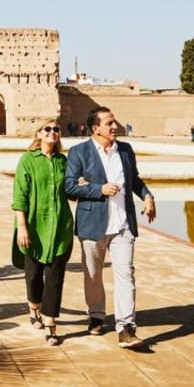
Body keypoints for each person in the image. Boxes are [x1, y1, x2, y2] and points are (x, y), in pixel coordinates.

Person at [66, 106, 156, 351]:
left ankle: (126, 328)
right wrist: (99, 189)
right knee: (93, 275)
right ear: (95, 128)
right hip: (92, 225)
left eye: (115, 122)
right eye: (109, 123)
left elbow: (134, 180)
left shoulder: (125, 150)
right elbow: (69, 187)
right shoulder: (79, 152)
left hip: (122, 225)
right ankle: (96, 314)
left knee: (126, 274)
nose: (115, 126)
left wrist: (147, 196)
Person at [12, 120, 74, 346]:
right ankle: (34, 307)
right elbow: (19, 196)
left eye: (56, 129)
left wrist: (80, 184)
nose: (52, 132)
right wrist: (22, 226)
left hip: (60, 228)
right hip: (34, 227)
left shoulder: (63, 161)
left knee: (55, 277)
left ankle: (50, 324)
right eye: (47, 129)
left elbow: (70, 192)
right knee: (33, 275)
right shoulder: (28, 160)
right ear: (38, 133)